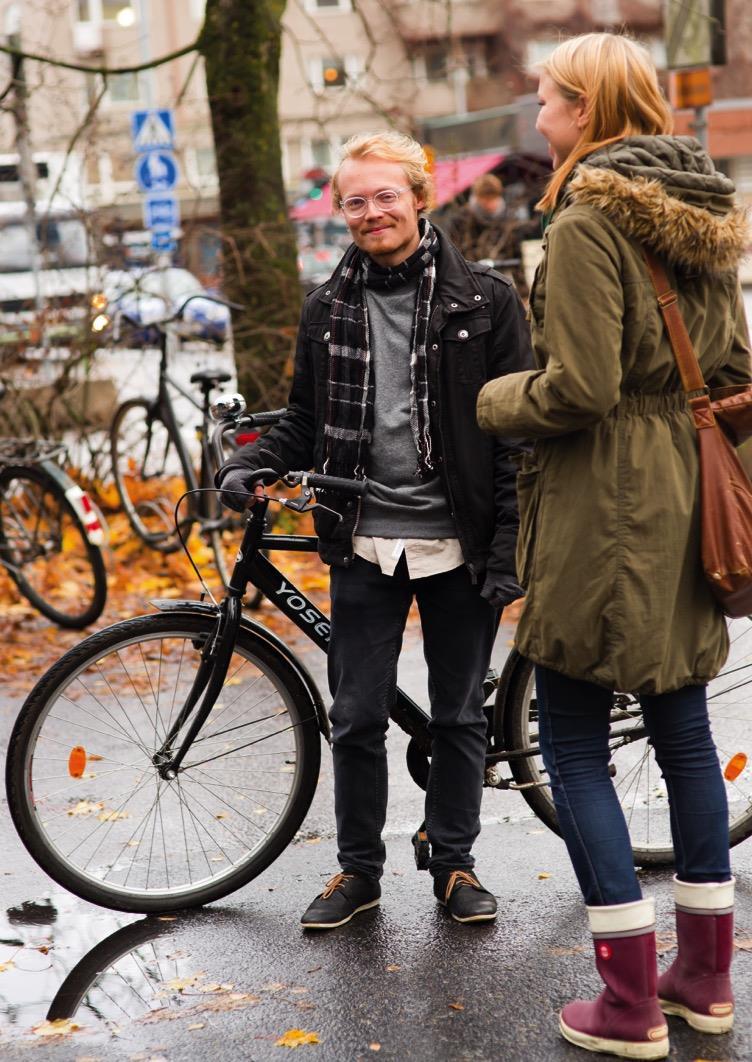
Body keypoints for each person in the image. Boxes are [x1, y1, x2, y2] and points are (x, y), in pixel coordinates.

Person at [476, 32, 750, 1061]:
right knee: (679, 730)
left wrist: (494, 396)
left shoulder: (589, 220)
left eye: (546, 98)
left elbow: (575, 391)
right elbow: (731, 368)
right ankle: (704, 982)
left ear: (584, 111)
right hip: (681, 494)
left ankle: (627, 1001)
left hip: (604, 507)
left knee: (574, 742)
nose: (536, 114)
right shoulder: (702, 217)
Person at [218, 131, 532, 929]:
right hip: (360, 536)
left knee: (460, 714)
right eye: (354, 201)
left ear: (420, 198)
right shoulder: (327, 306)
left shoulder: (486, 302)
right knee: (356, 716)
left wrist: (507, 549)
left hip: (458, 541)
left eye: (385, 196)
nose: (371, 213)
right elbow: (304, 420)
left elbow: (514, 440)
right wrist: (252, 465)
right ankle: (359, 870)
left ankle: (455, 865)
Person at [447, 173, 530, 297]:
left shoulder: (509, 220)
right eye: (485, 199)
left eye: (493, 198)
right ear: (477, 197)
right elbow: (455, 255)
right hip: (472, 282)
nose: (490, 204)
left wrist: (523, 292)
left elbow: (517, 255)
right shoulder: (462, 220)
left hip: (502, 279)